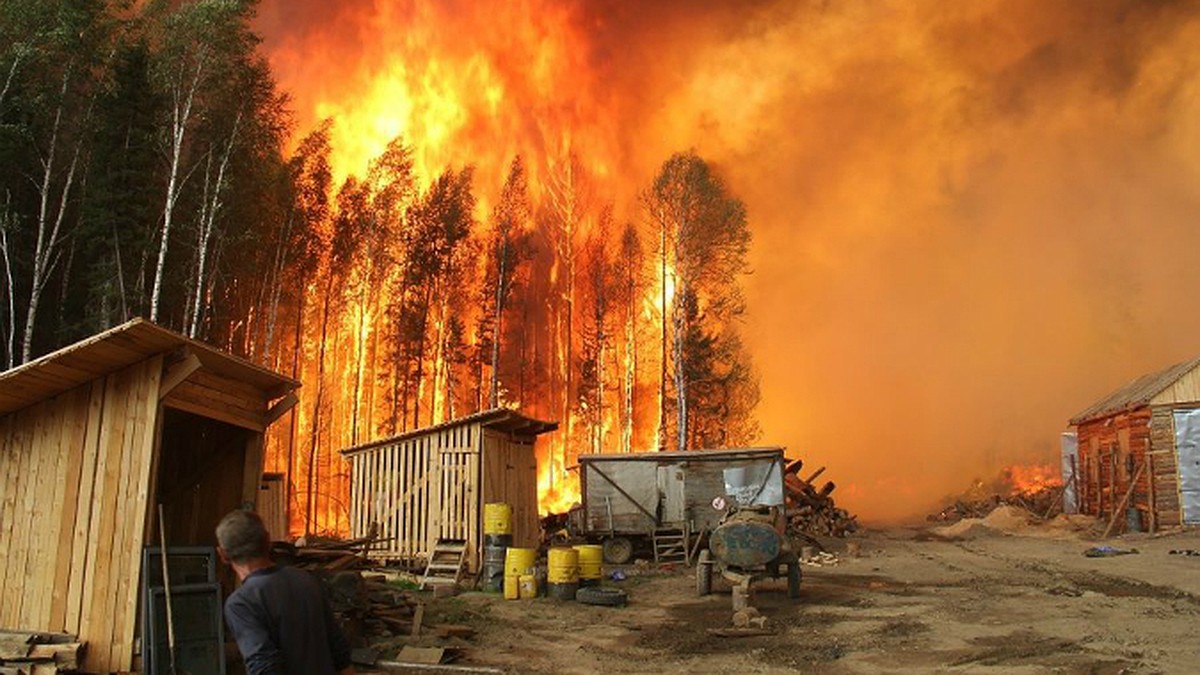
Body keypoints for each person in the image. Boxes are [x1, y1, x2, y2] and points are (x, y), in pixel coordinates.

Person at [215, 509, 354, 675]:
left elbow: (265, 667)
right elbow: (339, 651)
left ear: (222, 554)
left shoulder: (241, 603)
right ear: (268, 541)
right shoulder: (305, 580)